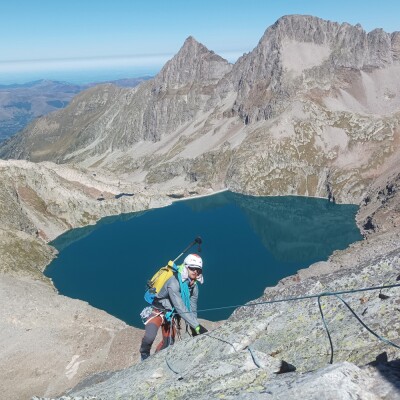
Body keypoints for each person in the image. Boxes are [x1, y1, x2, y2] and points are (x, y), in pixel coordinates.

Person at [139, 253, 207, 361]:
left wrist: (194, 327)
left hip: (171, 316)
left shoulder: (194, 287)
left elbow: (192, 308)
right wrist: (197, 326)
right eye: (192, 268)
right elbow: (179, 306)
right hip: (158, 310)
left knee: (168, 343)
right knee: (149, 337)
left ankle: (155, 360)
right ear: (186, 267)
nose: (195, 271)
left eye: (198, 270)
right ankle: (144, 355)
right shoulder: (174, 282)